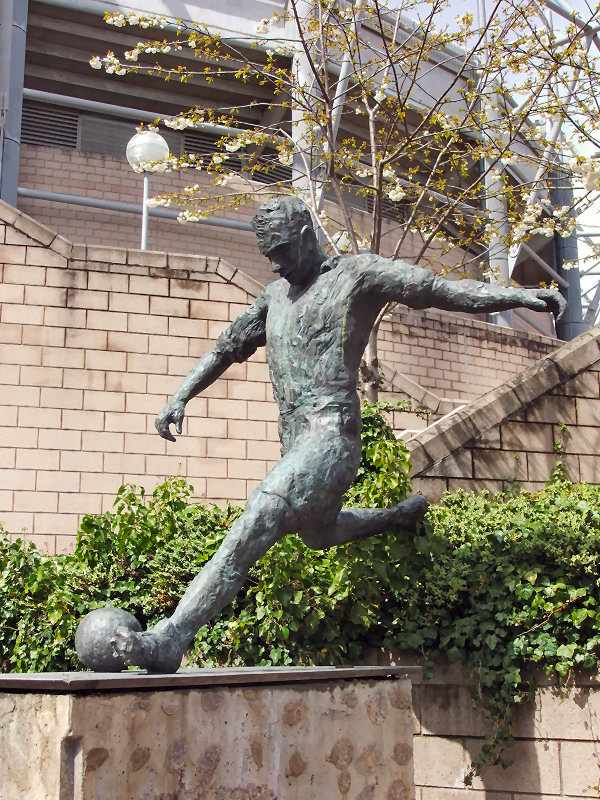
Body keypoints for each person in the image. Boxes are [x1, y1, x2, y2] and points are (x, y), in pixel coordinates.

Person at [111, 195, 566, 672]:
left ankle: (171, 638)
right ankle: (398, 516)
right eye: (269, 255)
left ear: (308, 236)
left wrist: (517, 296)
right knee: (317, 532)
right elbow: (225, 349)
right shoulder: (273, 300)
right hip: (296, 442)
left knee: (257, 519)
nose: (276, 263)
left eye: (283, 250)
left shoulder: (357, 275)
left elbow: (438, 290)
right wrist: (180, 396)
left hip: (330, 438)